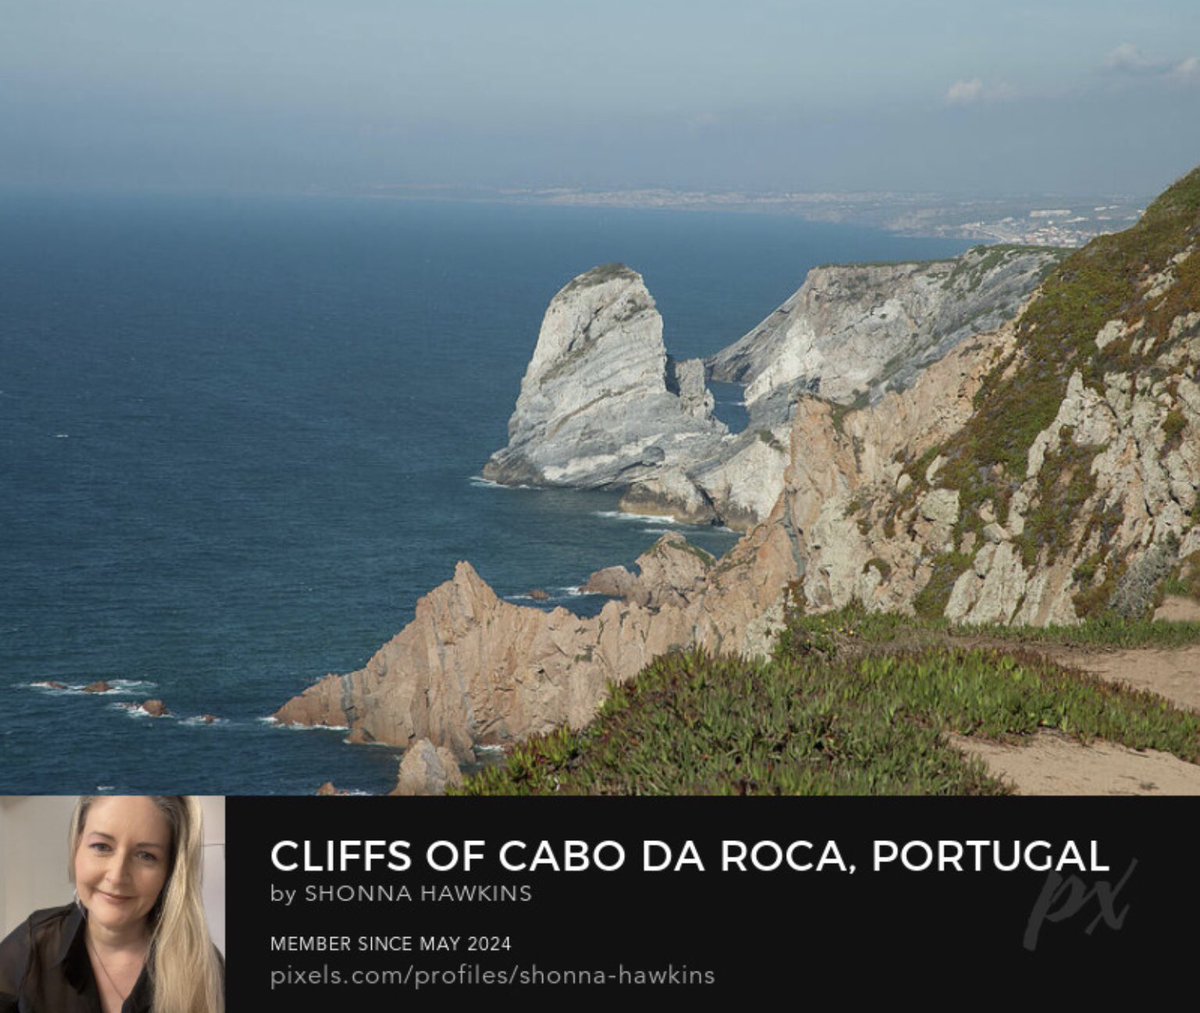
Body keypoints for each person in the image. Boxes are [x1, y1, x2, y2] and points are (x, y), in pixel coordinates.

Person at [0, 796, 224, 1013]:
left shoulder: (204, 967)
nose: (117, 876)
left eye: (146, 855)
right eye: (101, 846)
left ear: (170, 871)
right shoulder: (31, 946)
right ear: (76, 846)